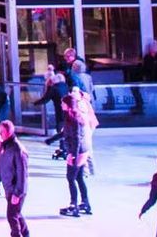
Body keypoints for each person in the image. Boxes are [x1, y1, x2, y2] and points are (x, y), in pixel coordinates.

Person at [59, 87, 96, 217]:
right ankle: (85, 203)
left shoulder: (74, 117)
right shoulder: (73, 115)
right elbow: (66, 133)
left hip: (79, 151)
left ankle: (73, 205)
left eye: (63, 103)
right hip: (82, 150)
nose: (61, 105)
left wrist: (73, 155)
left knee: (71, 178)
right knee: (79, 177)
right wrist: (50, 140)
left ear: (68, 105)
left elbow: (77, 137)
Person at [0, 124, 30, 237]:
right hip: (8, 187)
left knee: (12, 216)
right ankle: (26, 233)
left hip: (16, 189)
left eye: (1, 132)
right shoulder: (4, 145)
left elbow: (22, 174)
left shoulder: (18, 149)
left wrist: (18, 193)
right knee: (16, 213)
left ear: (8, 132)